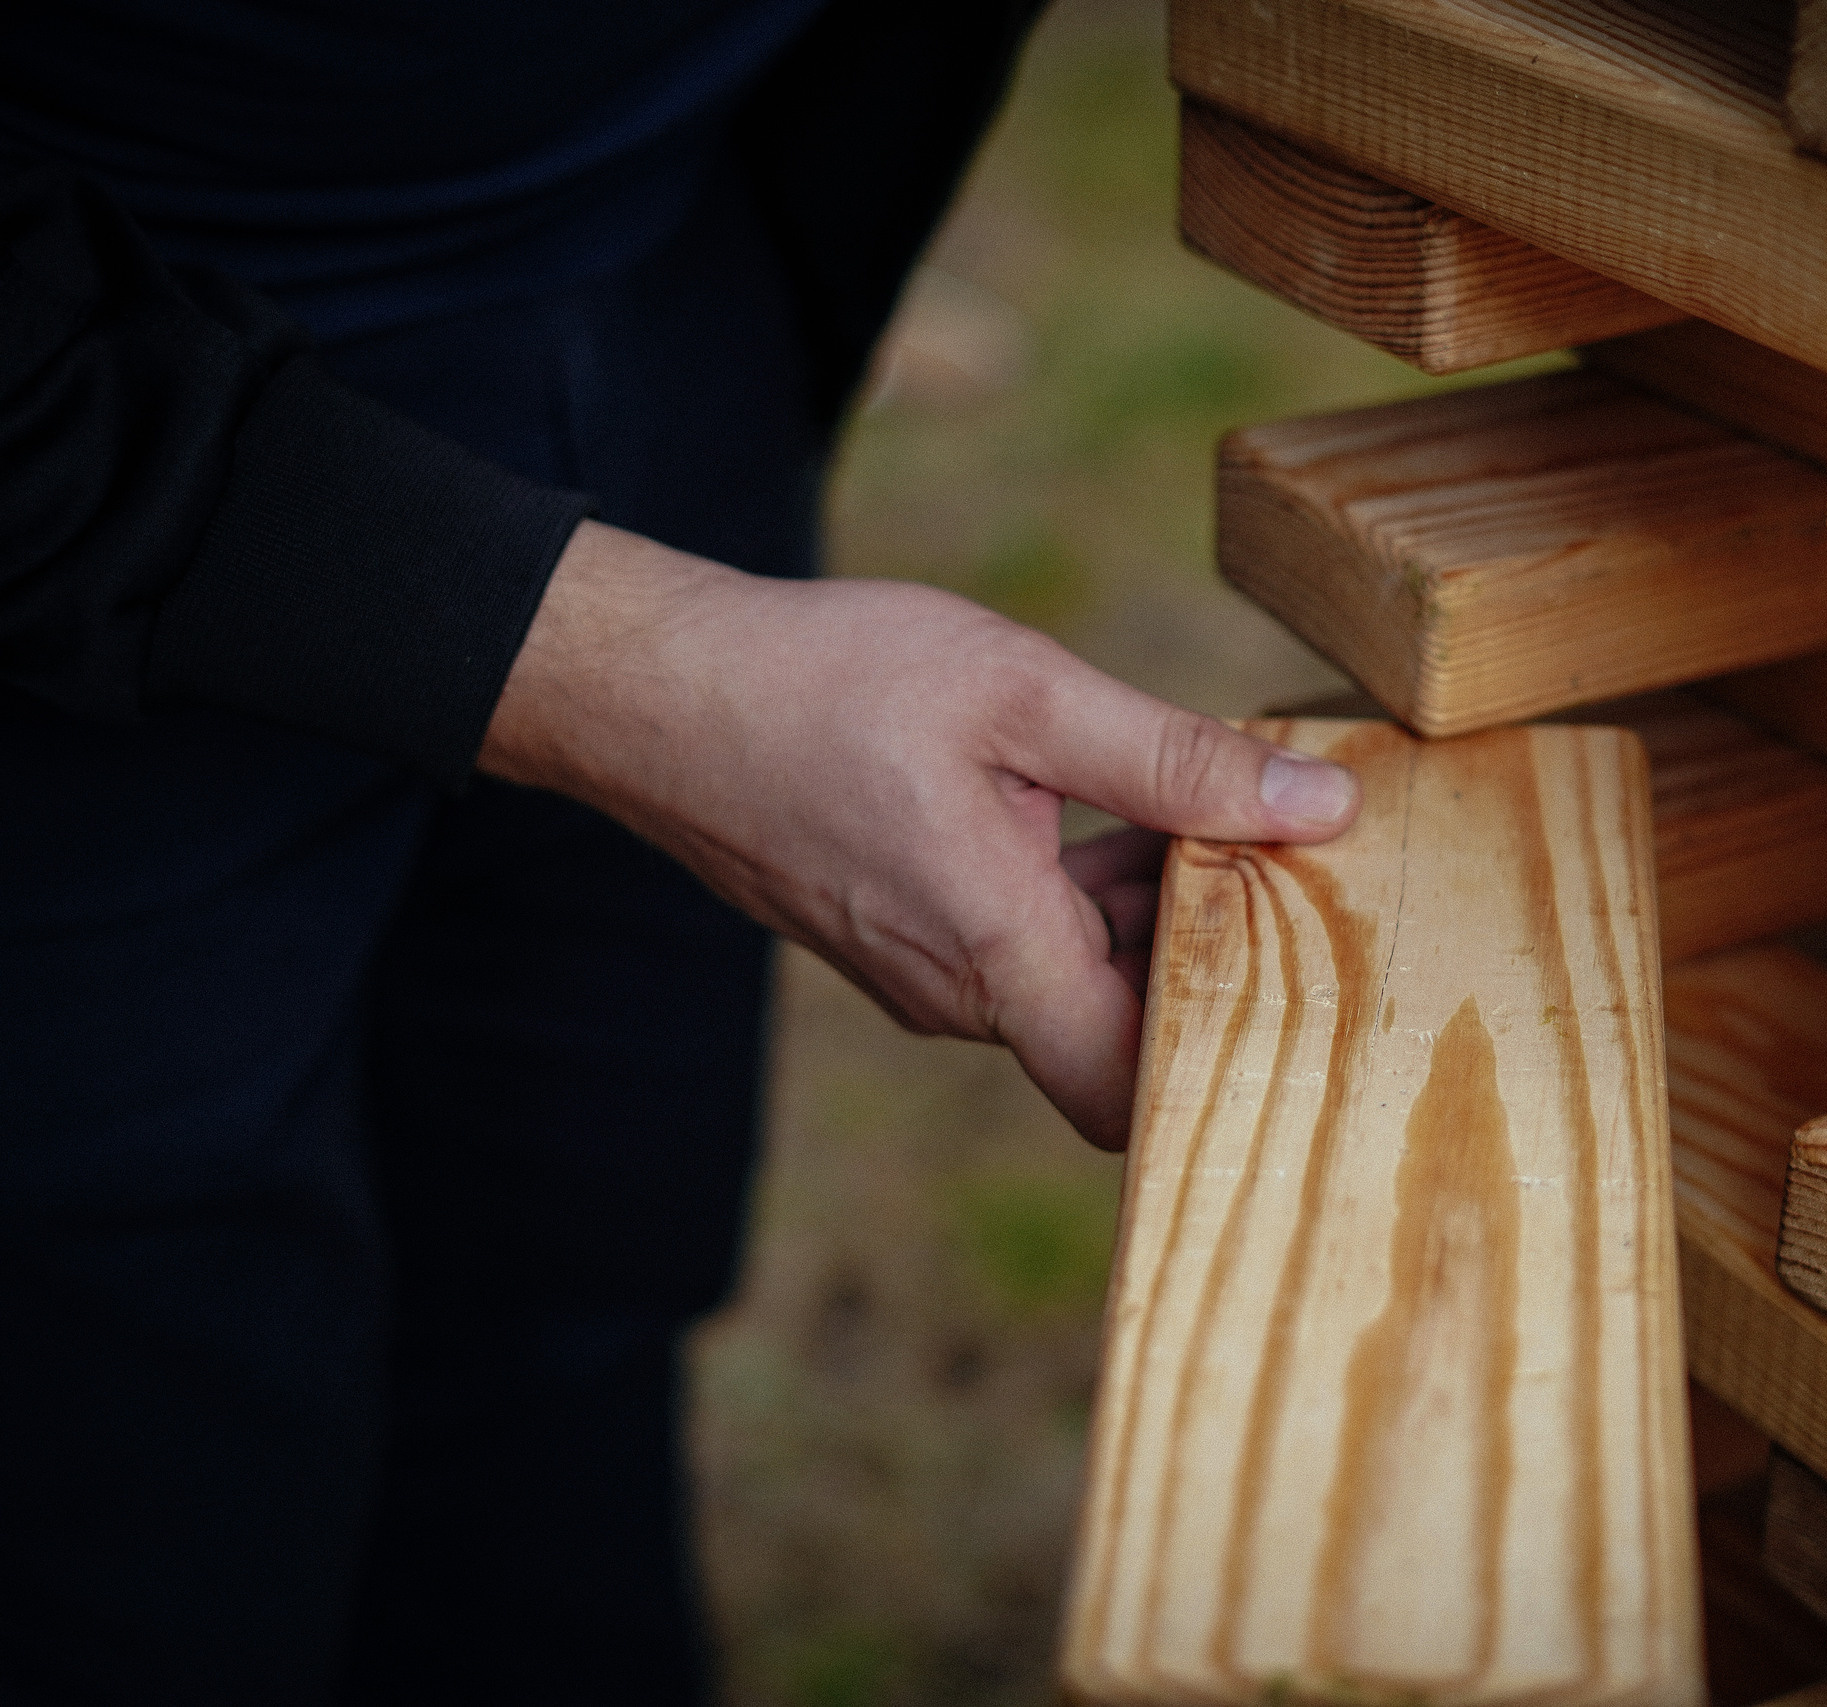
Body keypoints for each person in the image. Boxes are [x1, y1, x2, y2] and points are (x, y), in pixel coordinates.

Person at [0, 4, 1361, 1702]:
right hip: (57, 462)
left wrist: (735, 342)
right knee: (124, 1466)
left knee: (562, 1321)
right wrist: (615, 666)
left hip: (660, 296)